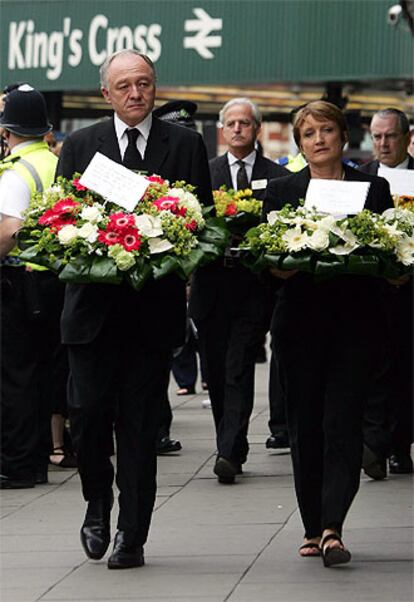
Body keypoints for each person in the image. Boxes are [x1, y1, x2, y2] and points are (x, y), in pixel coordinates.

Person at [56, 50, 212, 570]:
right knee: (89, 419)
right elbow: (58, 222)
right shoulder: (80, 146)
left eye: (143, 83)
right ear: (106, 93)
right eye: (123, 85)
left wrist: (175, 249)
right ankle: (97, 504)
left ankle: (132, 533)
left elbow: (202, 224)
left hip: (151, 317)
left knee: (141, 430)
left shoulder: (185, 144)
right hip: (91, 315)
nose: (135, 93)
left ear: (154, 87)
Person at [263, 100, 392, 566]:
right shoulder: (282, 192)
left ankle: (333, 526)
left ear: (342, 135)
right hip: (299, 326)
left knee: (342, 423)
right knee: (305, 428)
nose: (319, 140)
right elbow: (268, 263)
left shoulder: (371, 188)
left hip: (356, 326)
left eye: (327, 130)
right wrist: (279, 268)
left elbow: (387, 253)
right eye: (309, 134)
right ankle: (310, 524)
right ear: (299, 144)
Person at [189, 98, 288, 484]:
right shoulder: (205, 172)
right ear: (221, 129)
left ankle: (230, 450)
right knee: (215, 368)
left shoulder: (274, 176)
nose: (237, 129)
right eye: (230, 123)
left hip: (252, 286)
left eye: (244, 123)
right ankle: (228, 441)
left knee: (238, 365)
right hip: (212, 284)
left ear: (257, 128)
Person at [0, 84, 64, 488]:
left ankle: (18, 464)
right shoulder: (57, 163)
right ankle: (39, 457)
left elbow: (7, 231)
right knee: (44, 374)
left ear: (7, 132)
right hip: (55, 280)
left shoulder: (15, 172)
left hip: (18, 281)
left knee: (14, 377)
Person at [359, 108, 413, 478]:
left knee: (406, 370)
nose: (383, 144)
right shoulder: (360, 178)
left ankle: (400, 445)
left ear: (407, 137)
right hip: (373, 292)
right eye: (377, 137)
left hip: (410, 291)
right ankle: (374, 445)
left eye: (390, 136)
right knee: (373, 368)